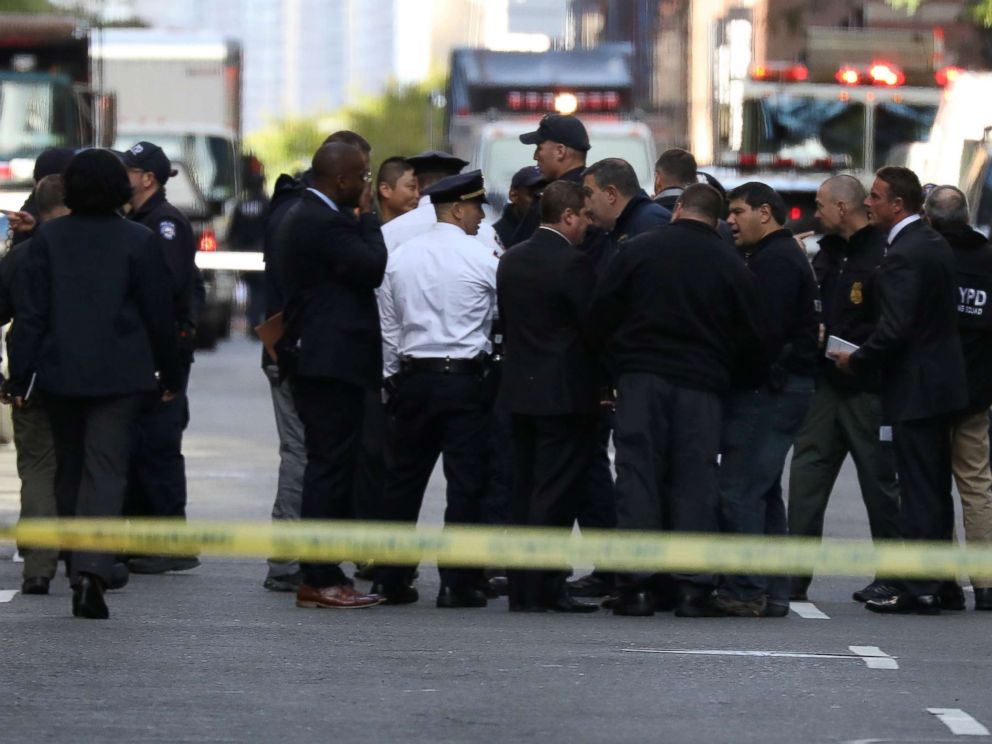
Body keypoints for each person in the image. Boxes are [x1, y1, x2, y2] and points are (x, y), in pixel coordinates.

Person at [7, 148, 181, 619]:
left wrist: (20, 377)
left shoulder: (47, 240)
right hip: (121, 375)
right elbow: (159, 315)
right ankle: (92, 573)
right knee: (106, 469)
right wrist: (172, 371)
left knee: (69, 466)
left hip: (60, 372)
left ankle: (70, 555)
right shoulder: (139, 241)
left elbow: (31, 317)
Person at [589, 183, 766, 617]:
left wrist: (612, 372)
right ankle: (692, 587)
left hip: (641, 379)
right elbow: (753, 336)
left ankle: (636, 586)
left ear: (679, 209)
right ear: (719, 218)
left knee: (637, 476)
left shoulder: (637, 251)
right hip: (702, 387)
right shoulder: (731, 262)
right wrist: (730, 378)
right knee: (695, 481)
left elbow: (600, 315)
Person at [832, 166, 967, 615]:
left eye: (875, 196)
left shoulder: (907, 252)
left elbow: (896, 328)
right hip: (940, 383)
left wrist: (857, 358)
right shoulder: (930, 243)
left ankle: (919, 587)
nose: (867, 203)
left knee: (918, 488)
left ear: (898, 204)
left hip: (917, 386)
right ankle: (940, 582)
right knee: (931, 486)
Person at [372, 170, 498, 608]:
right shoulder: (481, 257)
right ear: (459, 208)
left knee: (401, 484)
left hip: (413, 379)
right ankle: (457, 583)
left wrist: (392, 375)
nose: (481, 217)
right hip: (464, 381)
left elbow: (389, 326)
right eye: (477, 208)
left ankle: (389, 578)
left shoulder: (401, 257)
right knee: (465, 485)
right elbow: (502, 314)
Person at [260, 130, 372, 592]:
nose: (366, 183)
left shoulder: (302, 212)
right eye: (363, 176)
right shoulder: (322, 220)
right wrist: (367, 221)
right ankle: (316, 569)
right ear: (343, 178)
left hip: (317, 355)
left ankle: (316, 566)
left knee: (324, 461)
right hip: (327, 359)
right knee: (322, 462)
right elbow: (372, 266)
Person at [787, 175, 901, 603]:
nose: (815, 213)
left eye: (820, 204)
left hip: (866, 386)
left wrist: (861, 353)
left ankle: (892, 575)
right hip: (825, 385)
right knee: (805, 478)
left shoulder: (883, 255)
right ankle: (794, 576)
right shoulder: (827, 254)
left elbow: (891, 321)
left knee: (879, 484)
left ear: (841, 207)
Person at [714, 181, 819, 618]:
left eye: (738, 212)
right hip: (781, 386)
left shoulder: (774, 261)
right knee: (762, 491)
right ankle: (773, 591)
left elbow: (763, 335)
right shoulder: (773, 256)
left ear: (764, 213)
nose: (731, 221)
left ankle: (744, 590)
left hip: (767, 388)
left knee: (738, 490)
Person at [496, 180, 599, 614]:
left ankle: (522, 586)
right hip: (563, 394)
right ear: (569, 216)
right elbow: (591, 328)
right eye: (586, 217)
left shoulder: (512, 260)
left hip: (517, 391)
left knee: (524, 489)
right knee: (555, 492)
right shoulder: (573, 264)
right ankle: (546, 585)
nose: (589, 226)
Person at [119, 140, 200, 575]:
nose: (122, 177)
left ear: (146, 178)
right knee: (139, 448)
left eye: (128, 171)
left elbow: (164, 291)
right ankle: (144, 539)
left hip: (161, 350)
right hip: (146, 351)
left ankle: (169, 543)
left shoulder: (164, 224)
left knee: (159, 448)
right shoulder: (139, 220)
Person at [924, 185, 992, 611]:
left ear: (930, 219)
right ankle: (986, 584)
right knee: (977, 485)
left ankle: (945, 581)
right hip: (976, 393)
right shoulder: (989, 259)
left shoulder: (929, 258)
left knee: (932, 486)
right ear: (967, 217)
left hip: (932, 391)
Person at [0, 175, 67, 595]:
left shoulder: (22, 257)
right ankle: (91, 564)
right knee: (94, 468)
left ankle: (39, 567)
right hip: (97, 382)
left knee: (38, 471)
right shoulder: (104, 248)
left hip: (34, 381)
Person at [380, 150, 502, 256]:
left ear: (416, 184)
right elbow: (501, 274)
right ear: (458, 184)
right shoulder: (484, 231)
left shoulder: (388, 232)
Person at [582, 157, 671, 245]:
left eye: (588, 193)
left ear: (610, 194)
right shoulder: (625, 227)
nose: (586, 208)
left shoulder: (653, 224)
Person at [228, 154, 270, 330]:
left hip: (244, 251)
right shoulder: (268, 204)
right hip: (261, 252)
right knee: (260, 289)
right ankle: (255, 320)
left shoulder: (240, 205)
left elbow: (233, 230)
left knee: (250, 287)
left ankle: (252, 319)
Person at [493, 165, 543, 248]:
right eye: (534, 195)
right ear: (514, 195)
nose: (540, 202)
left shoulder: (549, 233)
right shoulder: (494, 237)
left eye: (545, 195)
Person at [375, 156, 420, 224]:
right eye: (412, 187)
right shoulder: (366, 228)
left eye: (419, 188)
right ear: (385, 190)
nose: (418, 195)